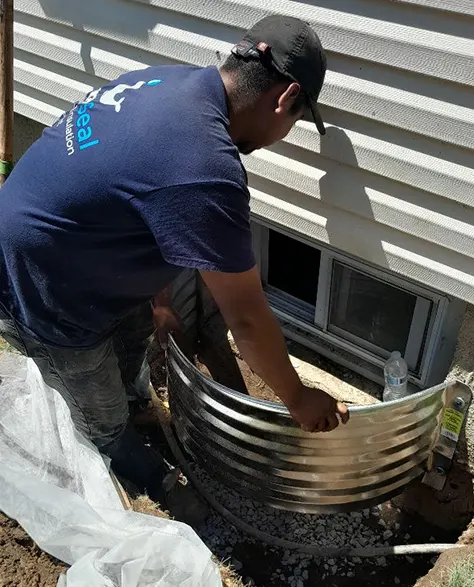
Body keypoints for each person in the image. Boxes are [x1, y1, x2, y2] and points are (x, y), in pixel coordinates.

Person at [0, 15, 349, 519]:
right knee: (96, 403)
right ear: (285, 98)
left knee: (137, 334)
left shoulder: (167, 81)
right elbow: (247, 321)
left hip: (73, 249)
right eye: (295, 121)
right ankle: (127, 460)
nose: (284, 134)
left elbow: (133, 196)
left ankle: (132, 401)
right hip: (39, 284)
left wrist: (158, 299)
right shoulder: (205, 167)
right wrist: (297, 398)